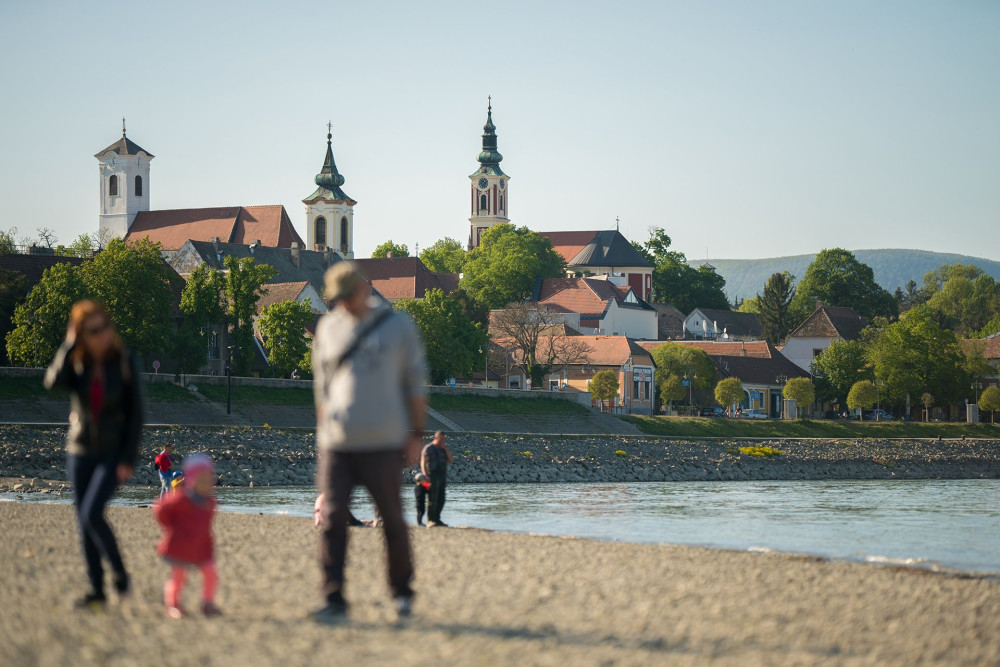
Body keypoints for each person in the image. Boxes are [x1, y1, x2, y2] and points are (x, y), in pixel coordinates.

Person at [312, 261, 428, 622]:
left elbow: (415, 384)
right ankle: (333, 598)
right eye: (337, 299)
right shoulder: (328, 328)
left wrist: (415, 435)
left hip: (383, 440)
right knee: (332, 520)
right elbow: (322, 388)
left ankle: (402, 593)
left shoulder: (397, 326)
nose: (343, 305)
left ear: (364, 289)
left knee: (392, 519)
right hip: (338, 442)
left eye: (347, 297)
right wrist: (322, 434)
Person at [44, 300, 143, 608]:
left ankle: (120, 575)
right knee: (83, 519)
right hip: (80, 450)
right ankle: (97, 590)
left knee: (91, 513)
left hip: (112, 452)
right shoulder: (78, 362)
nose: (101, 335)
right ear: (82, 333)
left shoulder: (124, 361)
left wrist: (129, 458)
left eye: (104, 327)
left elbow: (136, 414)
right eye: (92, 331)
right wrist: (69, 345)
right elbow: (51, 382)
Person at [153, 454, 222, 619]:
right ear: (191, 479)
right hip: (179, 546)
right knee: (178, 577)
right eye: (202, 480)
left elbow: (207, 524)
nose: (206, 485)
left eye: (209, 481)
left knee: (211, 574)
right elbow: (161, 511)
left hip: (201, 547)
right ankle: (173, 605)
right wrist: (172, 528)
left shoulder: (210, 502)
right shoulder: (180, 499)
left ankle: (207, 603)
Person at [421, 431, 454, 528]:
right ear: (436, 438)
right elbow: (423, 462)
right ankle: (431, 520)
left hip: (442, 475)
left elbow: (451, 460)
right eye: (441, 439)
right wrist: (425, 475)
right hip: (432, 475)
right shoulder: (428, 448)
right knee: (432, 498)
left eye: (444, 439)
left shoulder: (443, 448)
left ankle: (437, 519)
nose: (442, 441)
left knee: (441, 498)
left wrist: (446, 449)